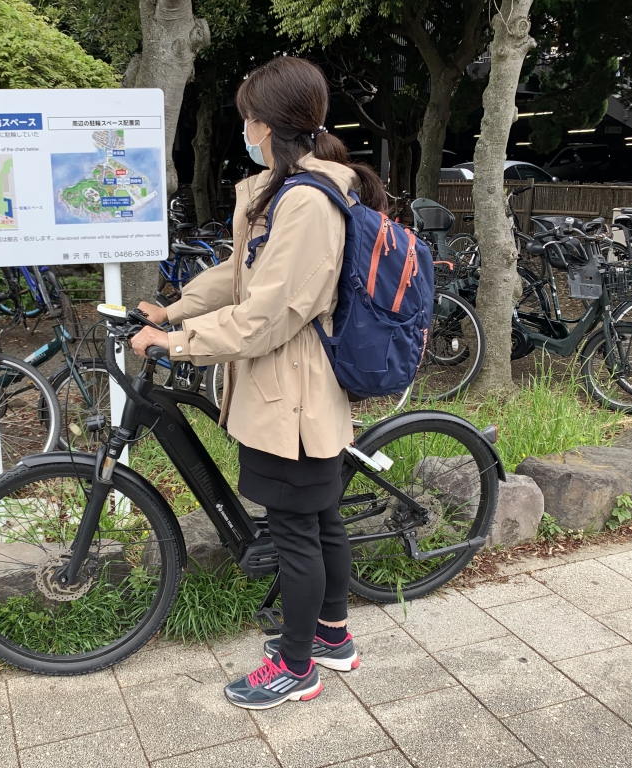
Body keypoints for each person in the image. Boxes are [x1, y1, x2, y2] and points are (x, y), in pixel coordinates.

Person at [129, 55, 391, 710]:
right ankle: (332, 636)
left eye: (248, 118)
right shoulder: (284, 189)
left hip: (292, 395)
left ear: (269, 124)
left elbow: (268, 315)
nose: (244, 129)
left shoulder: (305, 201)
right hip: (289, 388)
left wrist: (181, 342)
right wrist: (176, 307)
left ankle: (297, 668)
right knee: (318, 520)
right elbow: (240, 275)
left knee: (298, 531)